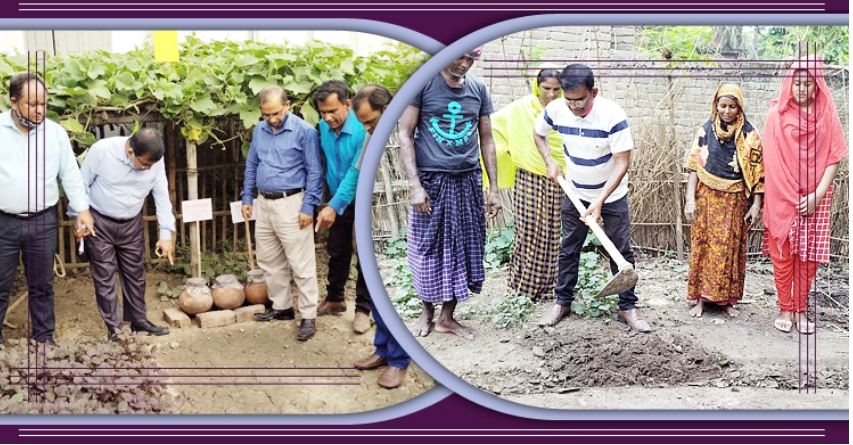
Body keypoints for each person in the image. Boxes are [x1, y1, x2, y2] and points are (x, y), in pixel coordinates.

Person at [535, 63, 651, 332]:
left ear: (593, 92)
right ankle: (562, 302)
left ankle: (627, 307)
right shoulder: (556, 109)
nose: (574, 106)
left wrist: (599, 201)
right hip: (575, 192)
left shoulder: (612, 115)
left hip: (612, 197)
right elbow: (538, 134)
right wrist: (550, 162)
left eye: (580, 100)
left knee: (620, 251)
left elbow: (622, 162)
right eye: (569, 100)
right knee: (569, 248)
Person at [398, 48, 502, 339]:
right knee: (427, 247)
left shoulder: (479, 89)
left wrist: (493, 188)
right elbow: (405, 134)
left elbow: (487, 139)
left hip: (468, 180)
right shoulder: (422, 84)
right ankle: (427, 311)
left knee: (464, 247)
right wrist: (415, 185)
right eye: (460, 56)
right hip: (432, 180)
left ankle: (447, 317)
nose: (464, 64)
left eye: (471, 59)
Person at [0, 73, 95, 346]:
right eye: (32, 104)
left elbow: (70, 174)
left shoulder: (55, 133)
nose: (39, 110)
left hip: (42, 221)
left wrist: (82, 210)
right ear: (13, 101)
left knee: (42, 284)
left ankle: (44, 339)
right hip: (3, 221)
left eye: (43, 103)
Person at [762, 57, 847, 335]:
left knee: (808, 259)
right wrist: (789, 194)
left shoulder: (826, 113)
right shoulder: (776, 116)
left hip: (816, 196)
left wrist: (816, 195)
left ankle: (800, 311)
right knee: (783, 255)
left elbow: (834, 156)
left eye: (807, 83)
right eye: (796, 83)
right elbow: (771, 161)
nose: (801, 88)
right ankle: (785, 308)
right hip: (782, 196)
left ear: (817, 85)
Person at [78, 128, 177, 340]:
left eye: (151, 165)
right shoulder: (102, 151)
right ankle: (114, 329)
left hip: (132, 222)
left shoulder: (154, 159)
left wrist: (165, 235)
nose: (147, 169)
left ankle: (138, 321)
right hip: (99, 222)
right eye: (144, 164)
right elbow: (81, 185)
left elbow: (161, 194)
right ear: (130, 151)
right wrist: (80, 217)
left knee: (136, 274)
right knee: (105, 277)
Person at [242, 85, 323, 342]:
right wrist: (247, 197)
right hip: (264, 202)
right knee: (269, 260)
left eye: (276, 113)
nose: (272, 119)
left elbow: (314, 171)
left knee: (301, 263)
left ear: (287, 105)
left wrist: (308, 207)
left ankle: (308, 316)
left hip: (292, 203)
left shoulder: (305, 132)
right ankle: (282, 307)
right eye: (266, 114)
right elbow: (252, 163)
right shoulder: (259, 130)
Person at [683, 84, 765, 319]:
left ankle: (727, 300)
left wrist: (756, 204)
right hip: (707, 196)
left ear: (740, 108)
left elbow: (758, 172)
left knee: (730, 248)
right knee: (704, 246)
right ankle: (701, 299)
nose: (727, 111)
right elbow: (694, 167)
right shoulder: (705, 130)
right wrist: (690, 200)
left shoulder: (750, 134)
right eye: (723, 106)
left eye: (732, 106)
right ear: (715, 105)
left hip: (735, 200)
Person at [351, 84, 411, 389]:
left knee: (394, 293)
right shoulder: (372, 136)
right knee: (376, 291)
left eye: (370, 120)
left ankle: (399, 360)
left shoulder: (408, 133)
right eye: (363, 123)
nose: (367, 128)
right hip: (377, 225)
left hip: (405, 226)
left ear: (387, 110)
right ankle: (383, 349)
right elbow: (361, 179)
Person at [491, 68, 565, 300]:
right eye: (546, 88)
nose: (551, 94)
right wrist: (511, 149)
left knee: (552, 231)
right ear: (537, 86)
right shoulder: (521, 108)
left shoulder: (565, 110)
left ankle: (549, 286)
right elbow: (492, 126)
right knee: (529, 228)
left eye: (556, 89)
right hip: (528, 177)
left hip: (558, 177)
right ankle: (523, 285)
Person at [312, 80, 373, 335]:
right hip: (337, 197)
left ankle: (363, 310)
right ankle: (335, 298)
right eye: (322, 112)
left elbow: (355, 173)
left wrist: (333, 205)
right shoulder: (323, 128)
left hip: (363, 199)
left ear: (347, 104)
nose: (327, 117)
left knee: (364, 254)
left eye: (332, 111)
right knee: (337, 249)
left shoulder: (363, 131)